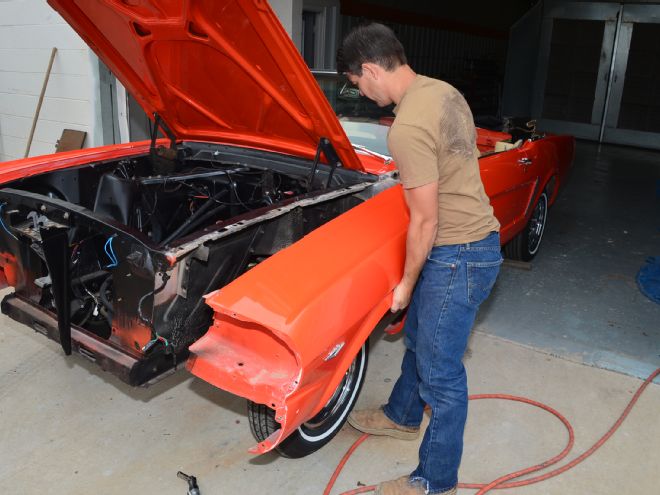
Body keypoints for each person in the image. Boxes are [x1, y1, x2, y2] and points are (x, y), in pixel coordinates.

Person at [337, 23, 502, 495]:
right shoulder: (443, 91)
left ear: (370, 69)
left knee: (441, 374)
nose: (363, 94)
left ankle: (435, 481)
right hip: (474, 244)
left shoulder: (406, 127)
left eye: (358, 84)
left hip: (457, 255)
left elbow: (425, 222)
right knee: (420, 340)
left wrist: (406, 284)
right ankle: (402, 415)